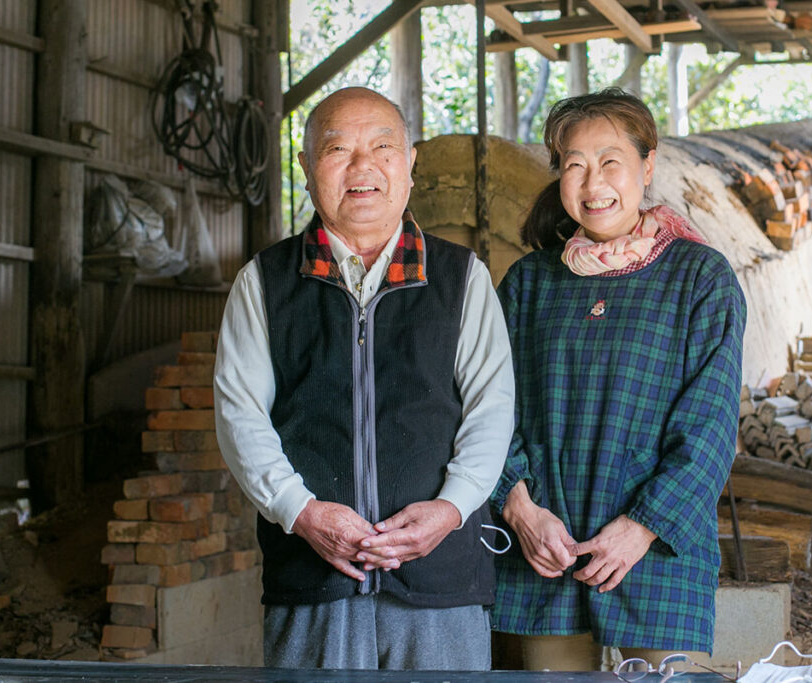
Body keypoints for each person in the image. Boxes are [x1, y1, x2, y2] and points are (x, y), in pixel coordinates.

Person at [214, 87, 514, 671]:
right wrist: (300, 511)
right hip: (312, 582)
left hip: (439, 583)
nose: (362, 167)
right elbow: (239, 415)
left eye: (382, 147)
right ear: (306, 167)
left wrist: (451, 509)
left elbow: (492, 409)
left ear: (409, 163)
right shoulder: (265, 283)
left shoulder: (461, 278)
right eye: (337, 149)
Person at [490, 88, 745, 672]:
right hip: (543, 551)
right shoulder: (528, 283)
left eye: (610, 161)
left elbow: (709, 426)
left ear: (646, 165)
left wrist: (642, 526)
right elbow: (488, 407)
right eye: (574, 165)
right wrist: (519, 507)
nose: (592, 181)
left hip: (655, 548)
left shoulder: (699, 278)